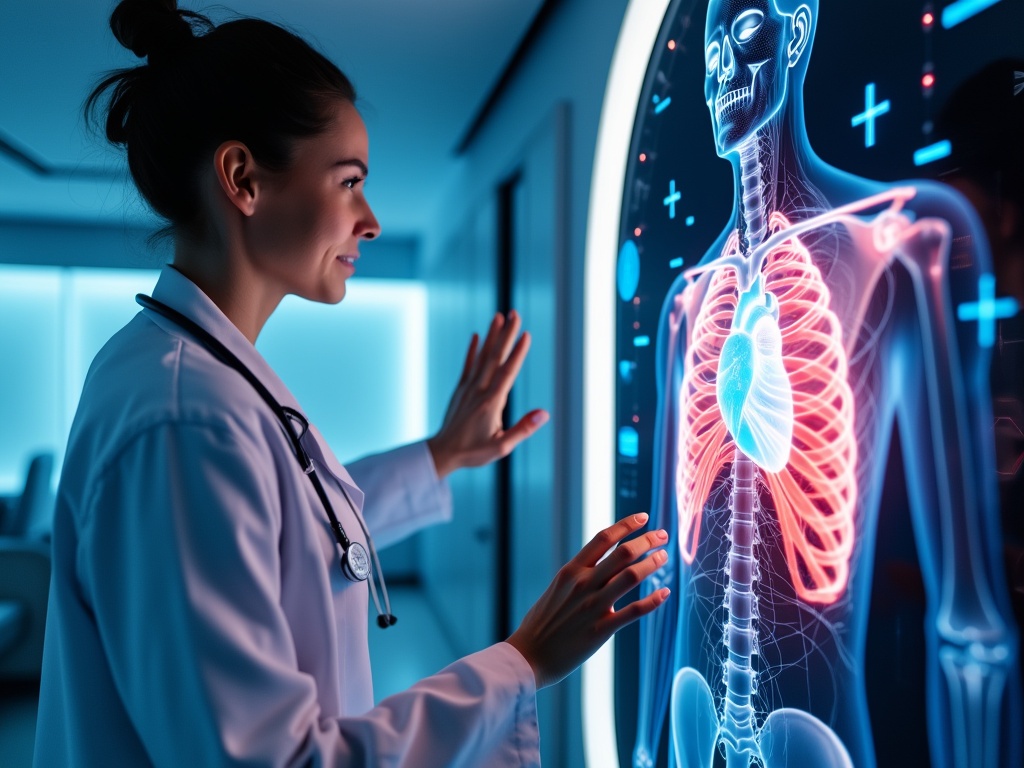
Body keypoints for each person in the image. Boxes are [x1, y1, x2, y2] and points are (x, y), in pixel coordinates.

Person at [32, 1, 671, 765]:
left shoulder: (198, 377)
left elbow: (291, 530)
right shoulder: (185, 419)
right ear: (242, 179)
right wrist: (524, 661)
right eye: (348, 182)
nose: (369, 220)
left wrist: (441, 456)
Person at [633, 1, 1021, 767]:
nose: (721, 79)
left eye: (744, 42)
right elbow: (667, 561)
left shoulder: (899, 243)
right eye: (710, 60)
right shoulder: (689, 302)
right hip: (689, 700)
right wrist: (644, 750)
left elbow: (968, 613)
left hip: (816, 728)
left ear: (797, 35)